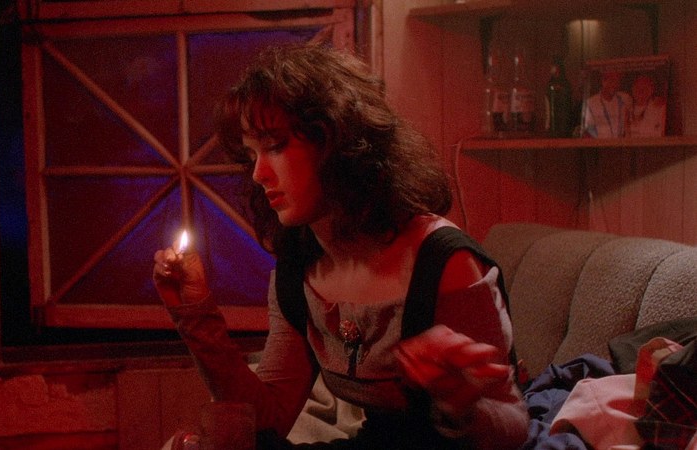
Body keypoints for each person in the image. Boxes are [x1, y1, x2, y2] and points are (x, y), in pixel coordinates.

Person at [152, 43, 529, 449]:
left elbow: (514, 429)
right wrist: (195, 314)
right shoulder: (301, 268)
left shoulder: (443, 262)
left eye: (275, 146)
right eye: (251, 154)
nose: (259, 173)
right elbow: (267, 421)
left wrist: (460, 401)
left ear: (337, 142)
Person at [582, 70, 632, 138]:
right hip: (600, 143)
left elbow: (628, 124)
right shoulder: (590, 103)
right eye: (611, 81)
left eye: (617, 81)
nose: (614, 85)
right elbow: (589, 130)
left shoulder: (625, 99)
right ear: (603, 81)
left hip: (621, 142)